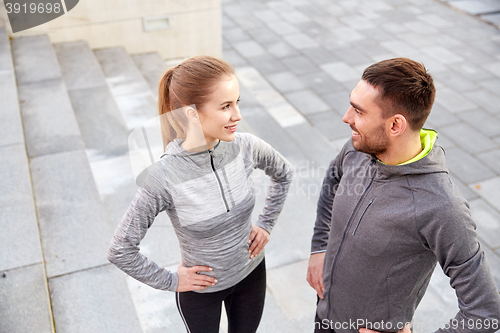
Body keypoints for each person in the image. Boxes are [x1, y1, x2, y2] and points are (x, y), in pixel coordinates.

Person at [306, 57, 500, 333]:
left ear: (396, 125)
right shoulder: (358, 147)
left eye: (359, 111)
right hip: (324, 315)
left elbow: (485, 312)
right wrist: (319, 247)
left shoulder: (442, 207)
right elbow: (332, 180)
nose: (346, 117)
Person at [108, 55, 294, 333]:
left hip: (251, 274)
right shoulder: (163, 176)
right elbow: (120, 250)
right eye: (225, 106)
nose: (237, 115)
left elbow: (284, 173)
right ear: (192, 113)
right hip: (201, 293)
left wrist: (266, 224)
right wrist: (172, 281)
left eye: (237, 102)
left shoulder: (246, 146)